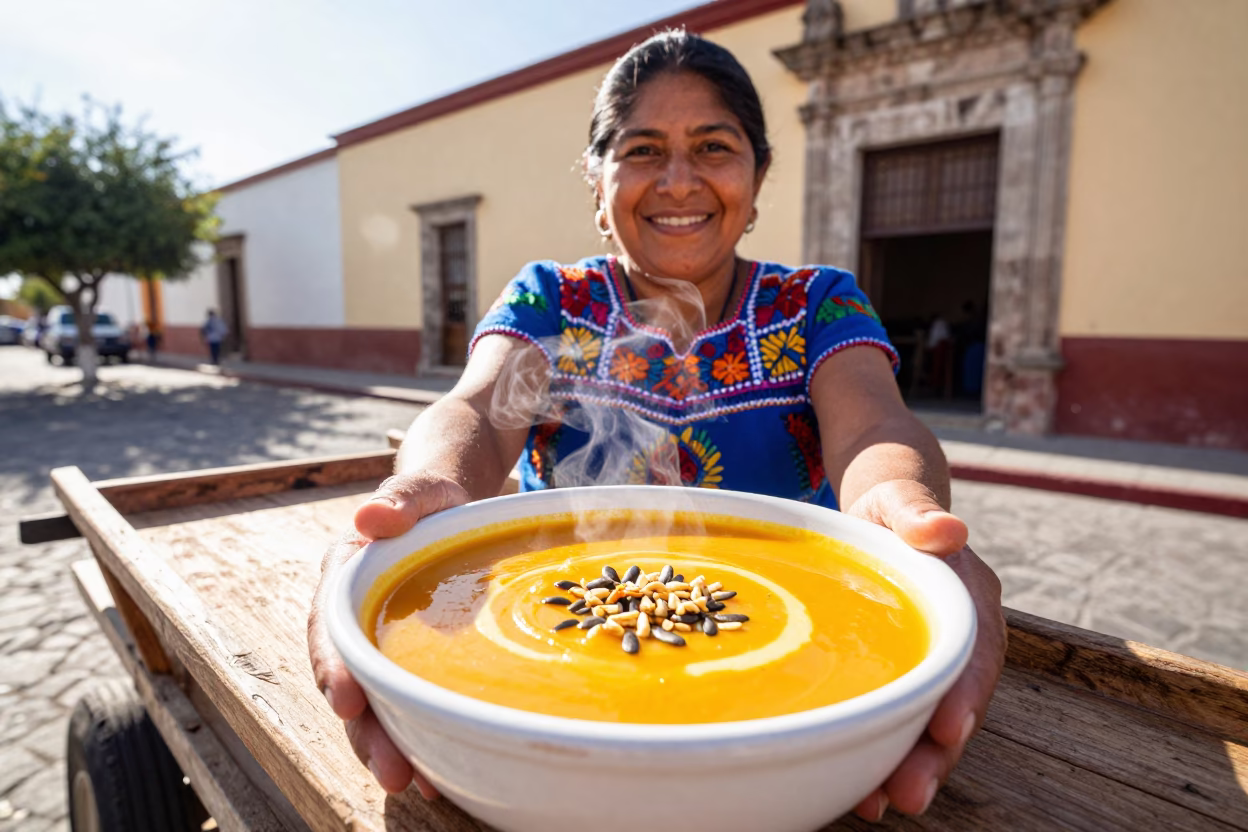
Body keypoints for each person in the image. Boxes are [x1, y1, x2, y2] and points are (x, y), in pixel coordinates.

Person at [307, 30, 1004, 823]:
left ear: (757, 173)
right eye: (642, 151)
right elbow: (479, 411)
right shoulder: (553, 304)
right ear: (595, 179)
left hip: (782, 711)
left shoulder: (816, 306)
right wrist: (427, 486)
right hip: (551, 709)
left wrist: (902, 506)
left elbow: (874, 425)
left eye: (713, 147)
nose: (679, 181)